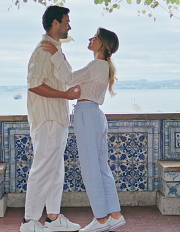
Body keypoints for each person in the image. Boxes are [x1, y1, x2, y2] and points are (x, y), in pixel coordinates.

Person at [41, 27, 125, 232]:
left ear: (103, 44)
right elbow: (74, 77)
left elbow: (68, 79)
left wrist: (56, 55)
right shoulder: (101, 66)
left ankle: (101, 219)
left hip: (88, 114)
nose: (91, 39)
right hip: (94, 115)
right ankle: (115, 214)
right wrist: (61, 58)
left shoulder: (97, 64)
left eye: (95, 37)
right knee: (102, 168)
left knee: (90, 170)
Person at [22, 5, 83, 232]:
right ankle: (29, 222)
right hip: (47, 119)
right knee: (43, 168)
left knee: (56, 168)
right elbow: (34, 84)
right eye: (67, 21)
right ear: (55, 23)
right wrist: (65, 95)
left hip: (57, 119)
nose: (69, 26)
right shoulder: (43, 51)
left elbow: (68, 78)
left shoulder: (54, 50)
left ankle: (53, 217)